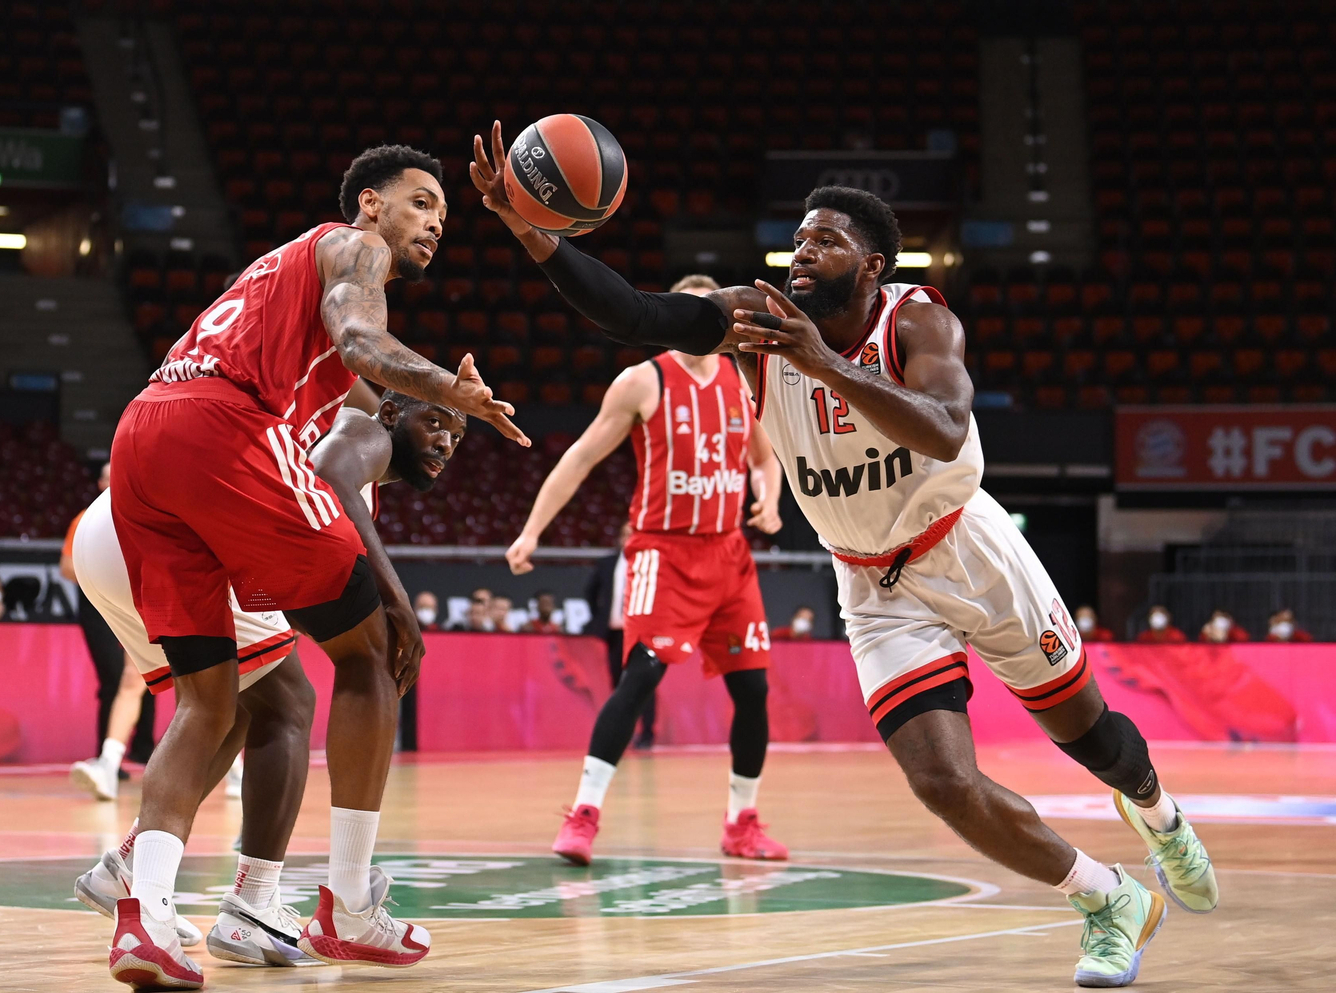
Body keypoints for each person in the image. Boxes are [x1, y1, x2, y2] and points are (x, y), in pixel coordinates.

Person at [474, 124, 1216, 987]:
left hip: (966, 549)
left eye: (825, 240)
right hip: (871, 581)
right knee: (941, 781)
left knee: (1092, 741)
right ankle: (1111, 900)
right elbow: (630, 312)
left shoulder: (920, 317)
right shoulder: (756, 321)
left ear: (873, 267)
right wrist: (533, 231)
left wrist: (821, 362)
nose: (801, 250)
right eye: (798, 237)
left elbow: (942, 430)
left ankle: (1161, 816)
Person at [104, 143, 523, 986]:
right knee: (375, 655)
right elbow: (365, 338)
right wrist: (452, 389)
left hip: (142, 434)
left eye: (444, 213)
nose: (436, 221)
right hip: (219, 429)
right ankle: (350, 905)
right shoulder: (352, 247)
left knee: (209, 701)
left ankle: (142, 917)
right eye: (421, 202)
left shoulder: (280, 277)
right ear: (369, 203)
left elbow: (359, 380)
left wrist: (428, 405)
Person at [74, 388, 465, 970]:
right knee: (288, 704)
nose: (445, 442)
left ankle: (130, 867)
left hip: (120, 522)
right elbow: (330, 471)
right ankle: (253, 904)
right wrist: (394, 597)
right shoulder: (364, 432)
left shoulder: (337, 437)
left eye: (457, 436)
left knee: (224, 706)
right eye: (435, 423)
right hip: (181, 517)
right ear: (393, 414)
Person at [504, 273, 788, 865]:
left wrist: (769, 498)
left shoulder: (743, 382)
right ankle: (584, 815)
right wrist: (532, 530)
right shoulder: (643, 381)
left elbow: (768, 459)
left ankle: (743, 822)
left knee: (754, 690)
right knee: (639, 679)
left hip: (729, 554)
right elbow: (580, 457)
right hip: (664, 552)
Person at [64, 462, 156, 798]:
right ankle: (108, 763)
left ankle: (236, 771)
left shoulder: (154, 506)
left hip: (179, 597)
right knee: (129, 681)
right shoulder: (90, 520)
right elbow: (69, 567)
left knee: (221, 688)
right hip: (129, 606)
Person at [583, 522, 657, 745]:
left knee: (645, 683)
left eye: (633, 534)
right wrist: (601, 618)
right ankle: (622, 733)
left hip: (644, 634)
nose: (628, 538)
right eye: (625, 534)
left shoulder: (653, 562)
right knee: (618, 684)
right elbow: (590, 592)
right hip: (616, 632)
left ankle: (647, 733)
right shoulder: (607, 563)